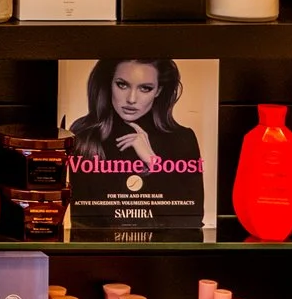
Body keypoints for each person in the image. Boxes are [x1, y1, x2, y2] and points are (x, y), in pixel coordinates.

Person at [65, 58, 205, 222]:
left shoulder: (182, 139)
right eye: (122, 85)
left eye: (145, 88)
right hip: (102, 247)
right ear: (109, 84)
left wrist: (154, 162)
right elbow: (79, 220)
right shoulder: (83, 136)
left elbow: (192, 218)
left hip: (163, 246)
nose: (131, 99)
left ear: (158, 91)